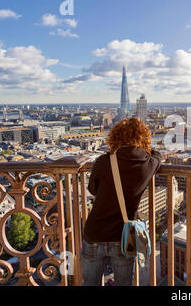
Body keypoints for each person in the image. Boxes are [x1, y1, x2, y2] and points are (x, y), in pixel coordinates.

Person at [81, 117, 162, 286]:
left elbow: (93, 190)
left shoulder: (103, 161)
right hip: (123, 237)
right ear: (144, 138)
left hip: (95, 233)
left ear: (115, 137)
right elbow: (158, 156)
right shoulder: (148, 164)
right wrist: (147, 149)